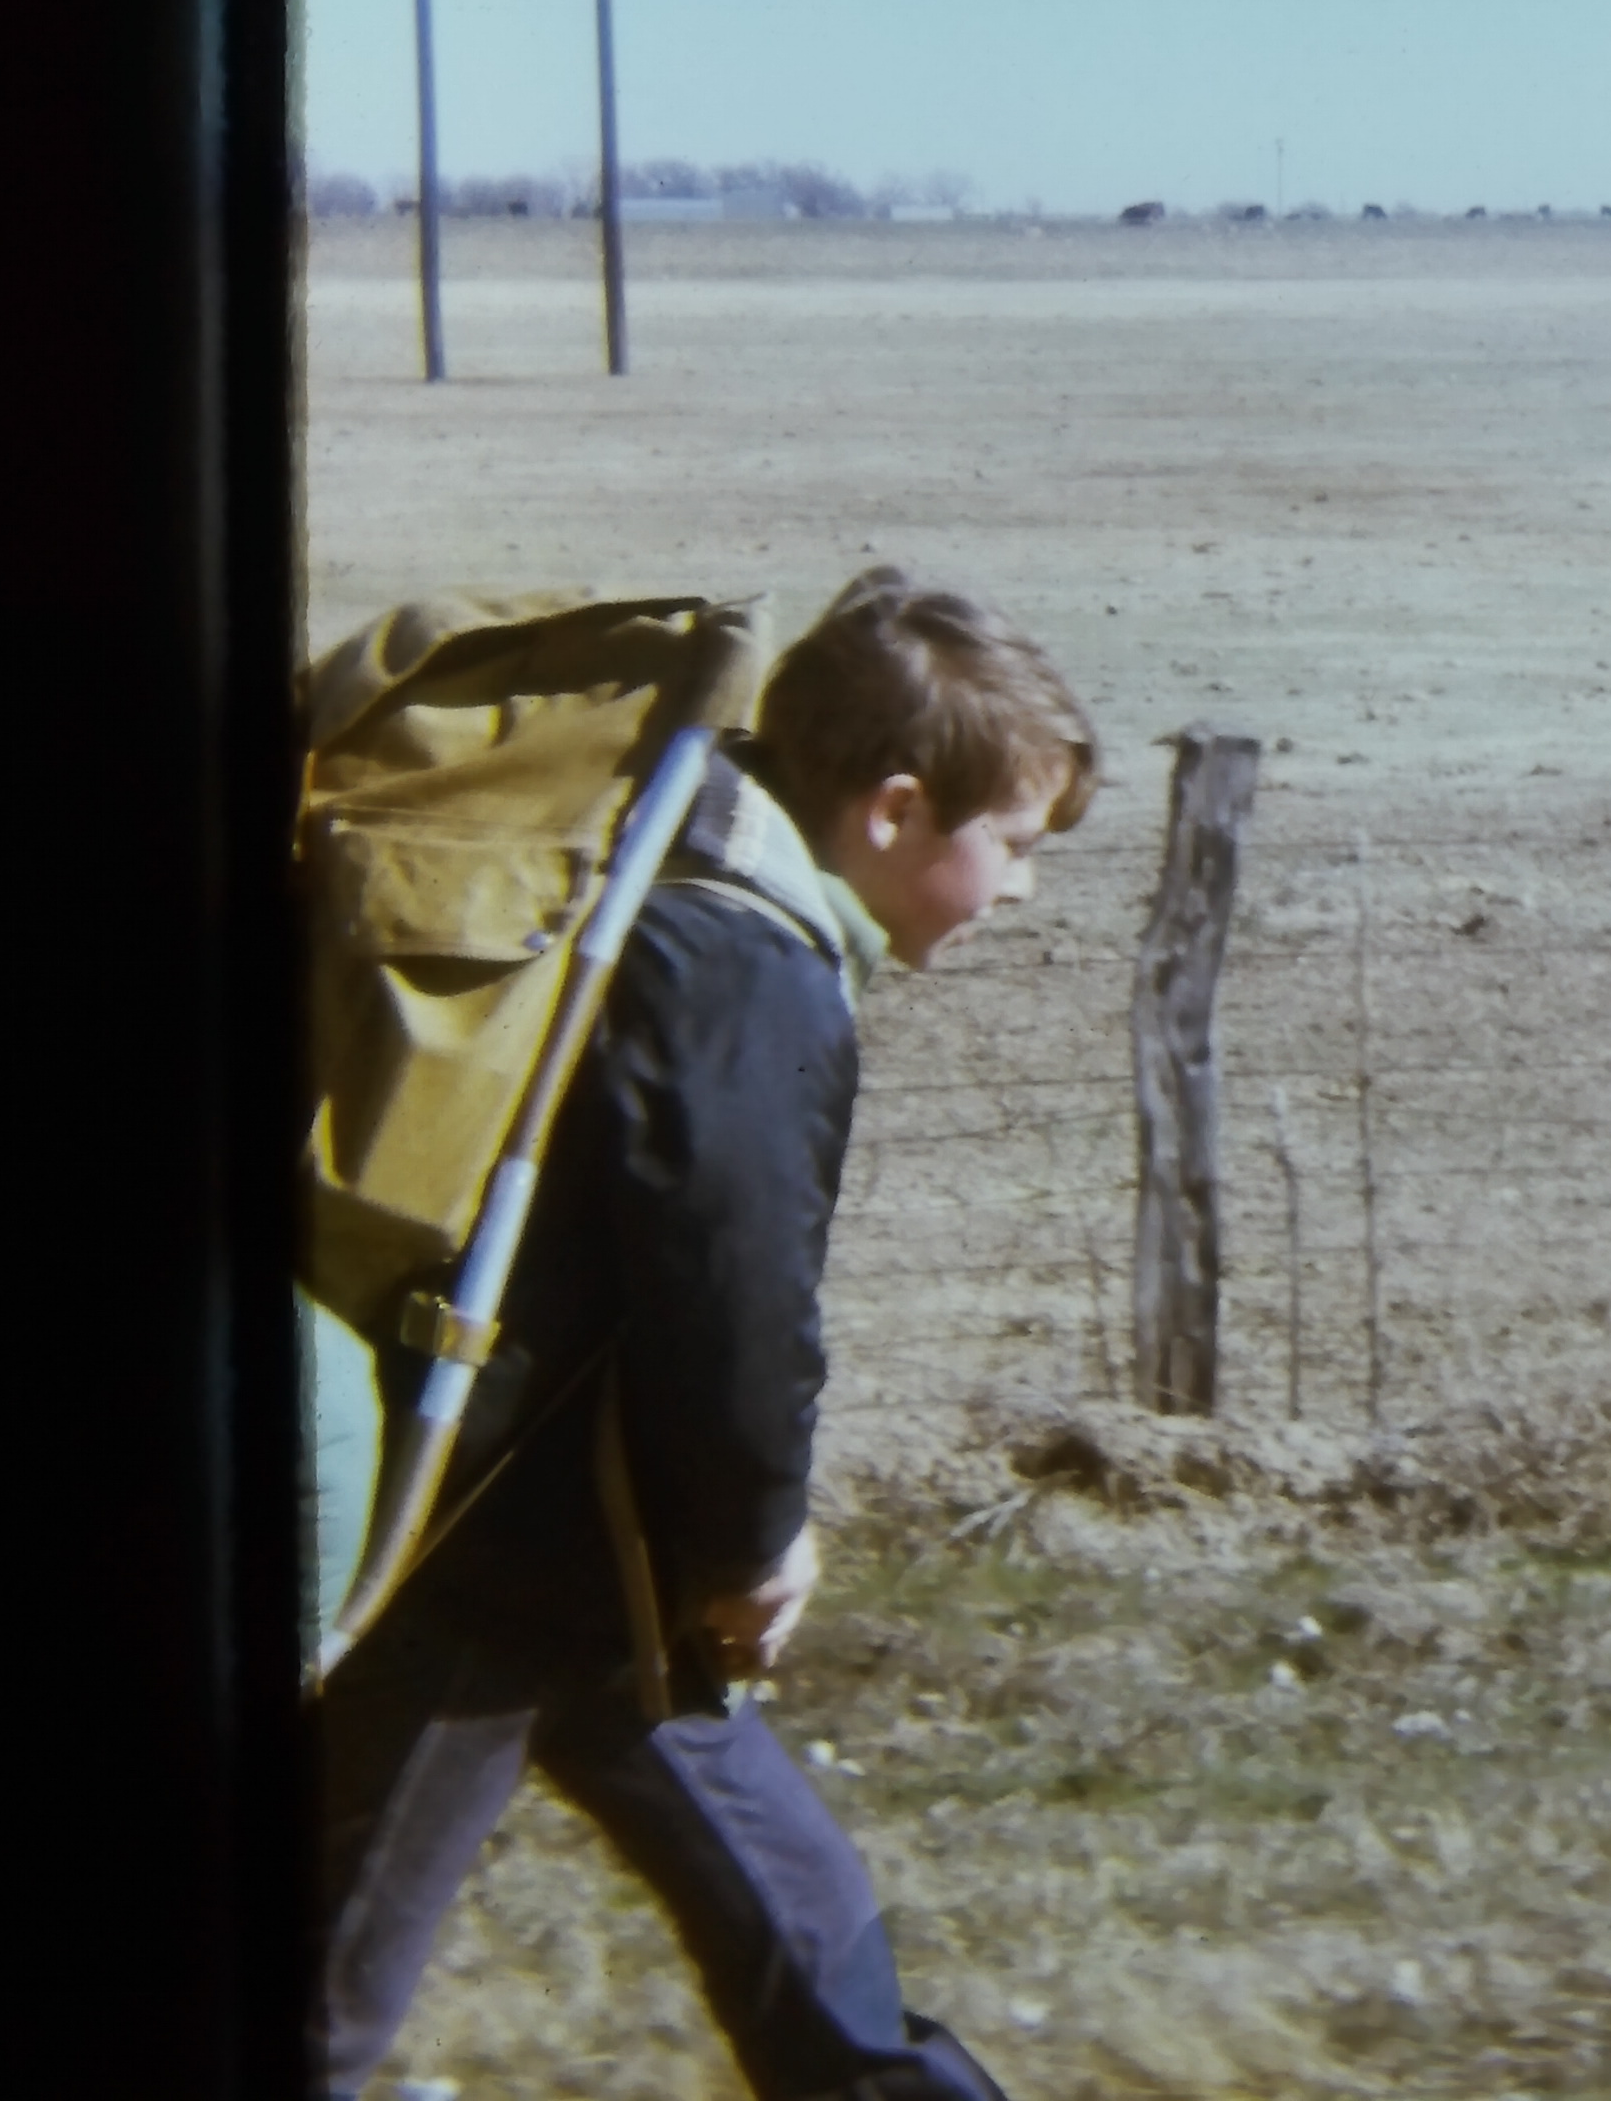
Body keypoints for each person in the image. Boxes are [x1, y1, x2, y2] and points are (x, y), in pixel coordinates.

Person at [308, 569, 1100, 2101]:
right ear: (891, 811)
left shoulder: (668, 876)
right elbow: (733, 1298)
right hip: (507, 1553)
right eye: (1009, 845)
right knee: (327, 1985)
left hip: (587, 1538)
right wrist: (752, 1543)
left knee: (792, 1919)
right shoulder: (746, 967)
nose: (1019, 891)